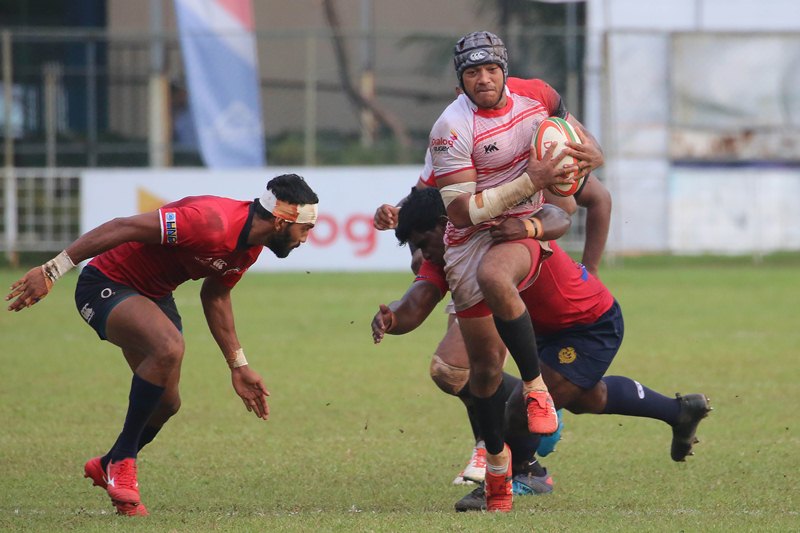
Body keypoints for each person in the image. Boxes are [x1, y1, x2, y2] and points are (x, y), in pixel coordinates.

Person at [371, 187, 712, 512]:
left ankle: (526, 476)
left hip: (587, 326)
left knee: (517, 412)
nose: (422, 254)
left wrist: (529, 226)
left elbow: (558, 214)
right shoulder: (446, 256)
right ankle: (678, 412)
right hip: (542, 330)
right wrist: (392, 318)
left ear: (445, 225)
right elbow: (416, 303)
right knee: (587, 398)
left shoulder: (496, 228)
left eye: (423, 243)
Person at [5, 174, 319, 516]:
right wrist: (53, 269)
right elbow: (122, 226)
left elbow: (215, 296)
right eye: (306, 228)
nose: (306, 238)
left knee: (167, 403)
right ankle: (123, 462)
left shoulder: (249, 250)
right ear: (280, 221)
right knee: (169, 346)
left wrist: (238, 365)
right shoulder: (209, 222)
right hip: (105, 283)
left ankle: (109, 463)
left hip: (154, 296)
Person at [427, 30, 605, 511]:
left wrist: (594, 154)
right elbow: (462, 214)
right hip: (469, 241)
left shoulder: (539, 95)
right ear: (459, 79)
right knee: (480, 374)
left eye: (490, 70)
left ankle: (536, 389)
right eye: (471, 73)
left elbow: (581, 141)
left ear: (504, 69)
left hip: (524, 231)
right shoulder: (450, 128)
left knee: (497, 276)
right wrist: (533, 179)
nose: (483, 79)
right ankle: (499, 475)